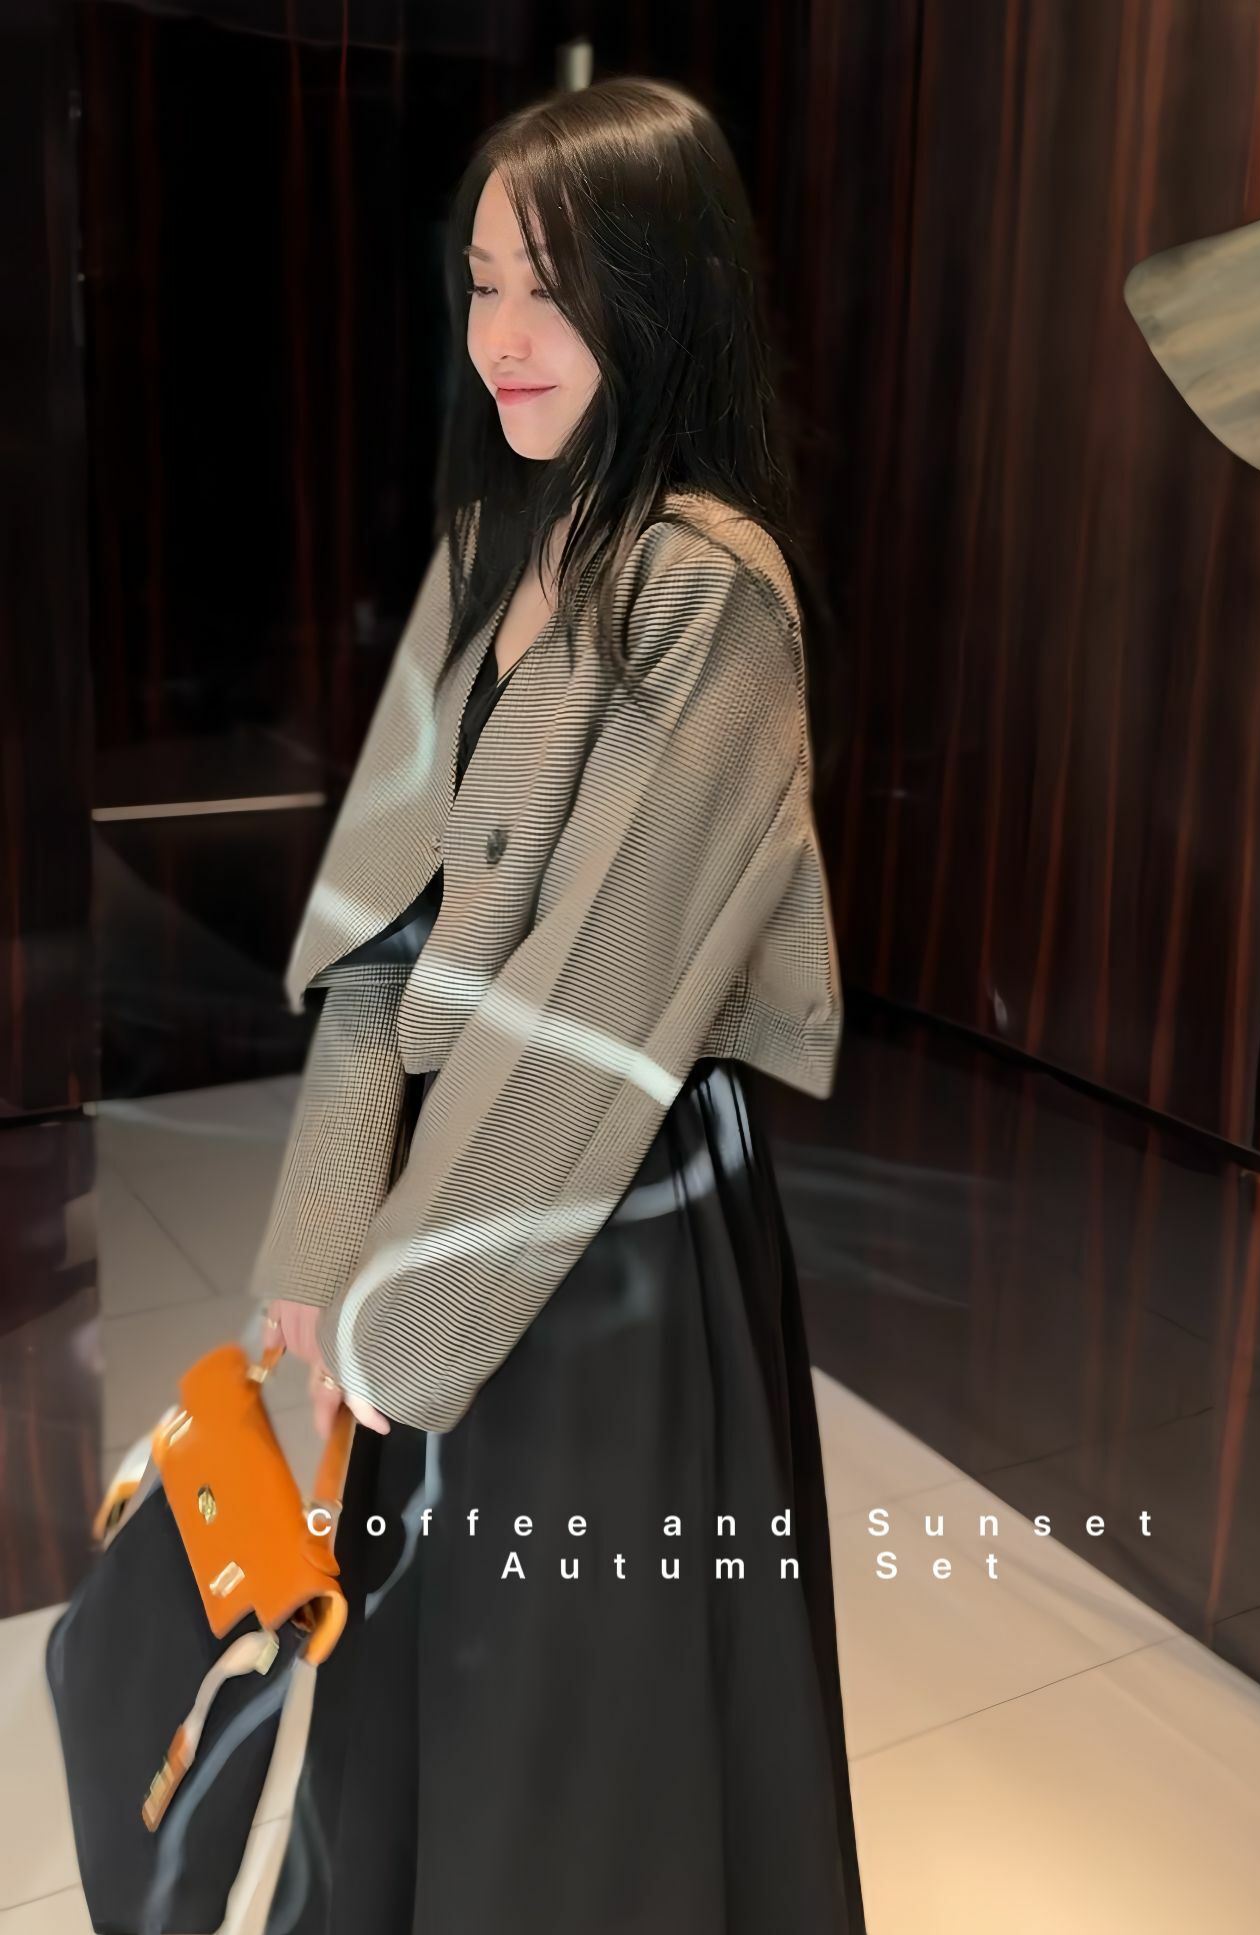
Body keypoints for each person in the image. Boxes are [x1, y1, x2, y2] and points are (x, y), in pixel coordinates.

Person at [251, 73, 865, 1935]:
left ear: (661, 295)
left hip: (617, 1238)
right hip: (461, 1223)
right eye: (484, 284)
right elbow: (379, 924)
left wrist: (398, 1314)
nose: (503, 337)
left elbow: (596, 1004)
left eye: (555, 289)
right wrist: (327, 1246)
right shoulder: (488, 550)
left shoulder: (708, 593)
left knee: (576, 1738)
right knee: (423, 1695)